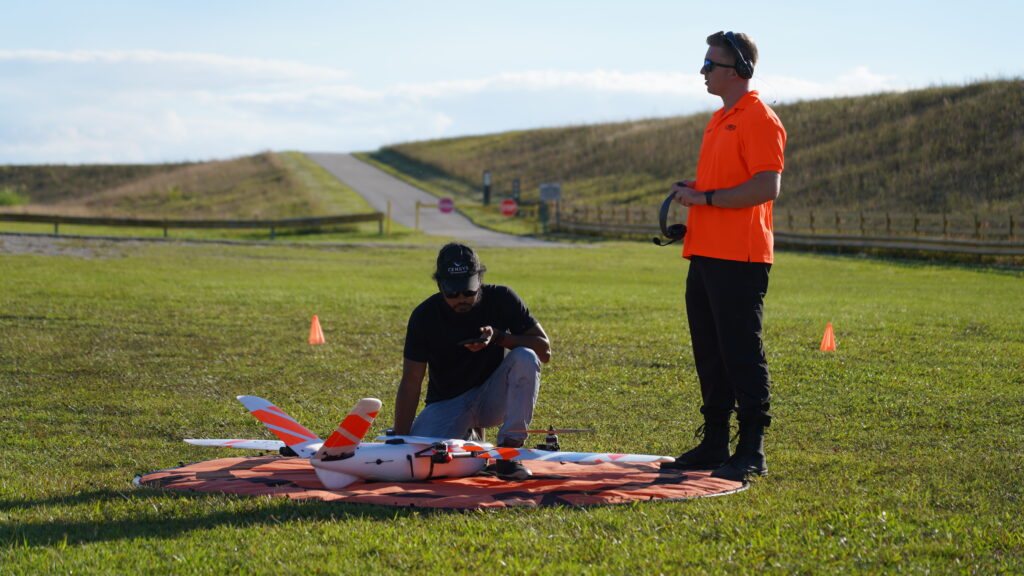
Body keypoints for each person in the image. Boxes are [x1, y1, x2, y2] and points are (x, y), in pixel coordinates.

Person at [660, 31, 787, 482]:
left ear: (739, 71)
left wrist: (705, 199)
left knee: (740, 353)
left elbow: (765, 187)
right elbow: (721, 188)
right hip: (707, 253)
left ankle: (751, 449)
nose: (703, 71)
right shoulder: (719, 119)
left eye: (711, 64)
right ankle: (715, 440)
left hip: (741, 257)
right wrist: (694, 197)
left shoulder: (758, 118)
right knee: (710, 352)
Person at [393, 242, 551, 480]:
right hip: (447, 403)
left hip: (493, 399)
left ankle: (508, 453)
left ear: (479, 282)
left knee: (525, 356)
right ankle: (471, 439)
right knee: (420, 457)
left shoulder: (502, 298)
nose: (461, 299)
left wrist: (500, 338)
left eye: (468, 292)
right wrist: (401, 439)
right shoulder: (424, 316)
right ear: (439, 286)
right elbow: (411, 381)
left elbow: (544, 351)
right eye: (452, 294)